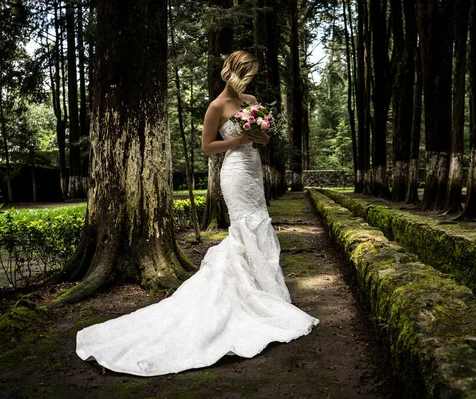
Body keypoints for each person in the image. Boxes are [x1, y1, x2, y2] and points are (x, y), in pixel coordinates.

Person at [75, 50, 319, 377]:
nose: (250, 80)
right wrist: (238, 140)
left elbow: (263, 140)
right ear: (231, 72)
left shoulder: (252, 100)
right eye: (245, 73)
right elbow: (207, 147)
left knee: (260, 224)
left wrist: (259, 136)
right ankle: (245, 295)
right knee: (244, 228)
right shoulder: (216, 107)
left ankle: (267, 292)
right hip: (233, 174)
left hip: (254, 170)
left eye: (252, 74)